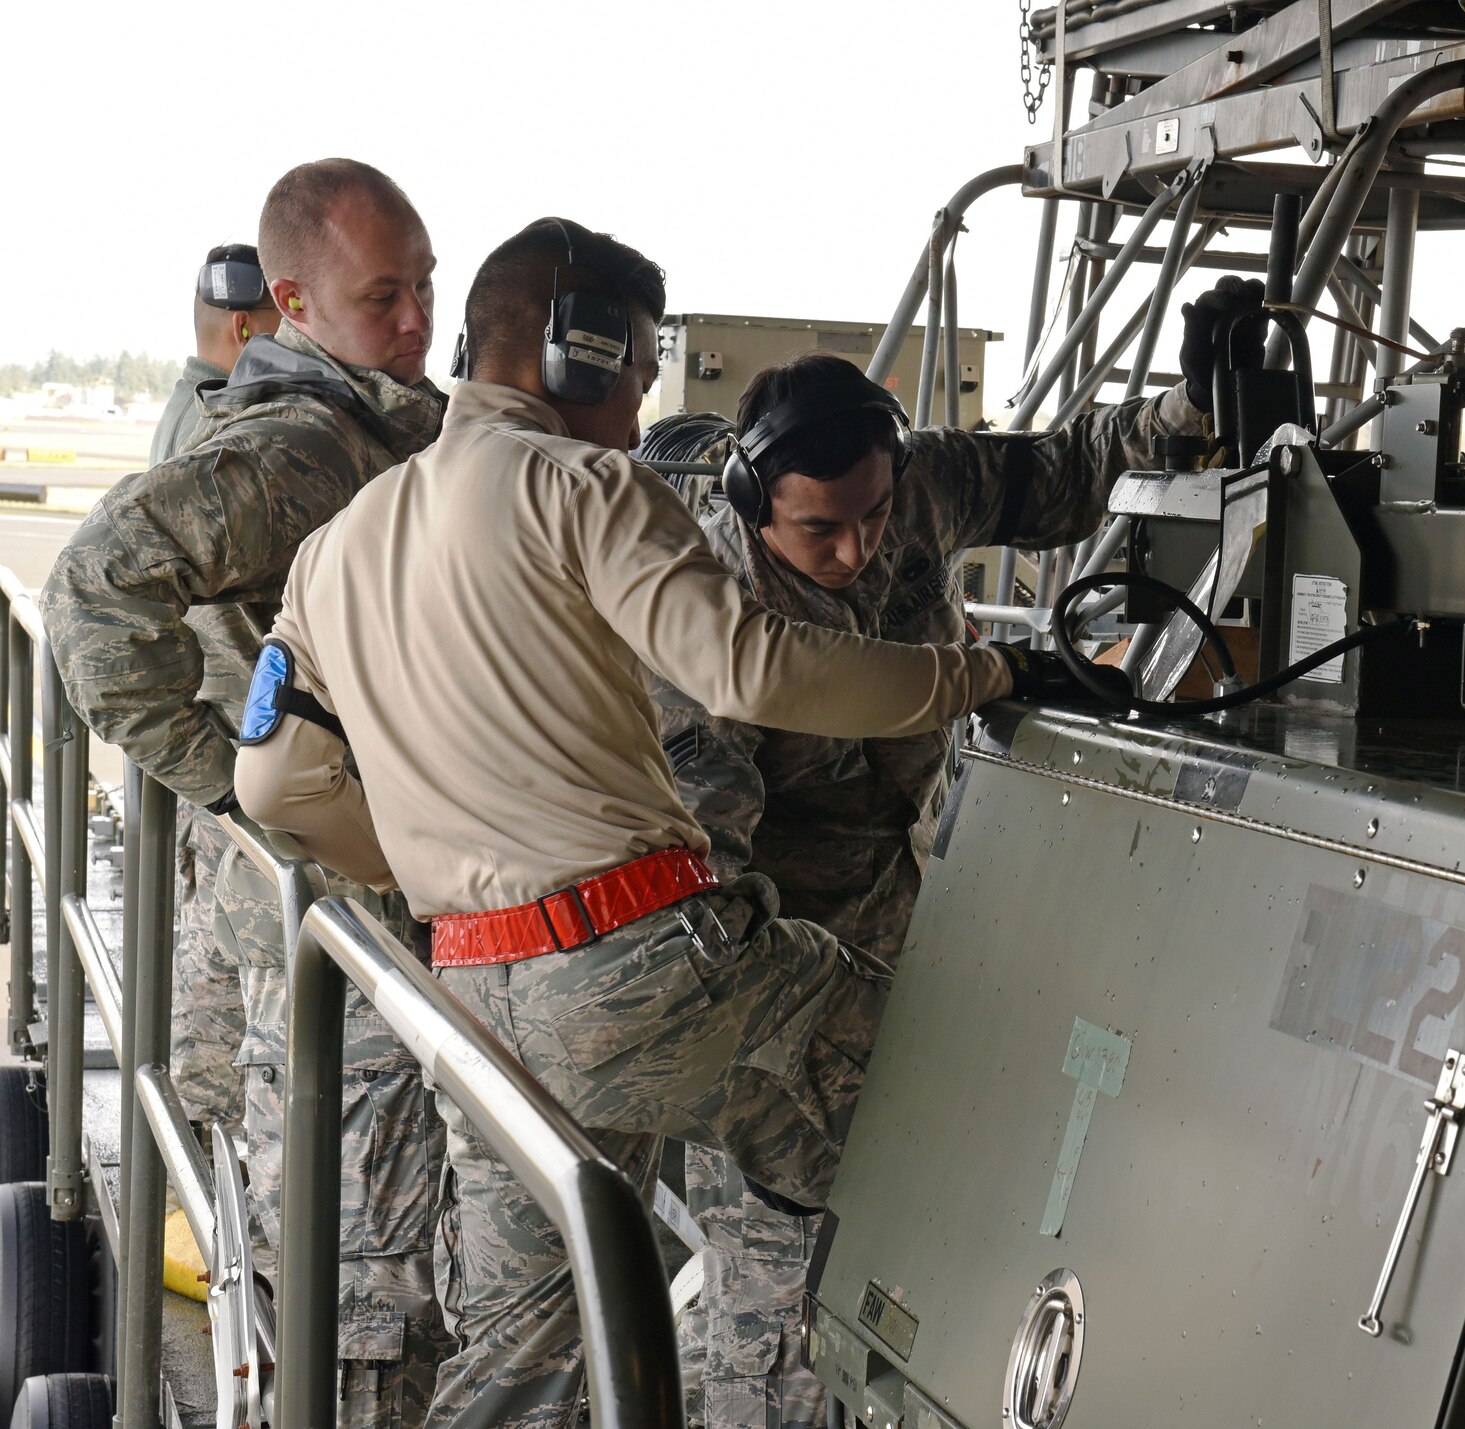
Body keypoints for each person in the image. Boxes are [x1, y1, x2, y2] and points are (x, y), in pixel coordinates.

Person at [232, 215, 1107, 1429]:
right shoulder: (587, 485)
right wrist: (980, 678)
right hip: (647, 964)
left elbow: (276, 785)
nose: (642, 412)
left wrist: (450, 871)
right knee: (960, 1109)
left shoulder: (337, 548)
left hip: (478, 991)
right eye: (636, 371)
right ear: (573, 351)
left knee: (522, 1361)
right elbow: (750, 666)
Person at [655, 277, 1261, 1429]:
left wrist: (1185, 402)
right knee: (778, 1297)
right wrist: (792, 1063)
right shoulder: (708, 618)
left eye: (872, 516)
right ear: (752, 503)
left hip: (905, 926)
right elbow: (710, 887)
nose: (856, 547)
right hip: (777, 972)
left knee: (902, 1267)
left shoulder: (910, 483)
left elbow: (1062, 476)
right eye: (818, 530)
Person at [41, 157, 450, 1429]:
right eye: (384, 296)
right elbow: (89, 595)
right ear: (295, 299)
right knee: (358, 1295)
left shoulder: (360, 424)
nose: (415, 321)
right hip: (325, 906)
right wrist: (228, 782)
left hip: (279, 905)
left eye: (426, 287)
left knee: (266, 1232)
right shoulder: (304, 448)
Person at [144, 243, 283, 1138]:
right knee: (236, 976)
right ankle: (226, 1173)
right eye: (283, 328)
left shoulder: (185, 412)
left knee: (211, 952)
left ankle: (208, 1161)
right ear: (244, 326)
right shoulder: (223, 431)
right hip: (234, 736)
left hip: (218, 738)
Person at [150, 243, 283, 465]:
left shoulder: (187, 404)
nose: (289, 343)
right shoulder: (218, 423)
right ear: (244, 329)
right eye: (284, 328)